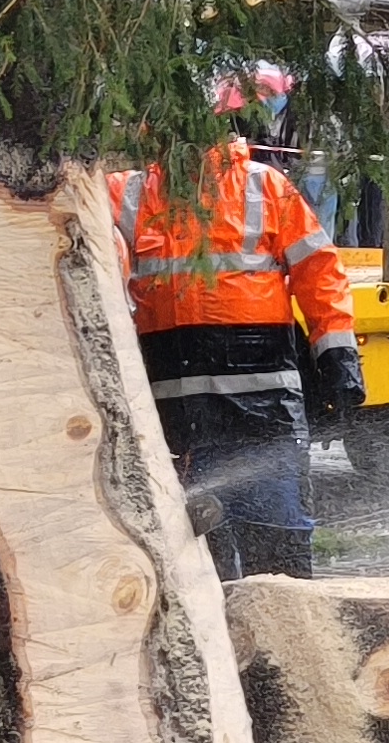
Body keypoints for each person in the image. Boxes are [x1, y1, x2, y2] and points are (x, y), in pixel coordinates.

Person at [110, 123, 363, 581]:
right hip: (180, 421)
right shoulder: (131, 193)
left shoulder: (263, 185)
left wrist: (337, 353)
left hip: (263, 413)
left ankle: (290, 643)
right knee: (199, 568)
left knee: (279, 550)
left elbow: (318, 269)